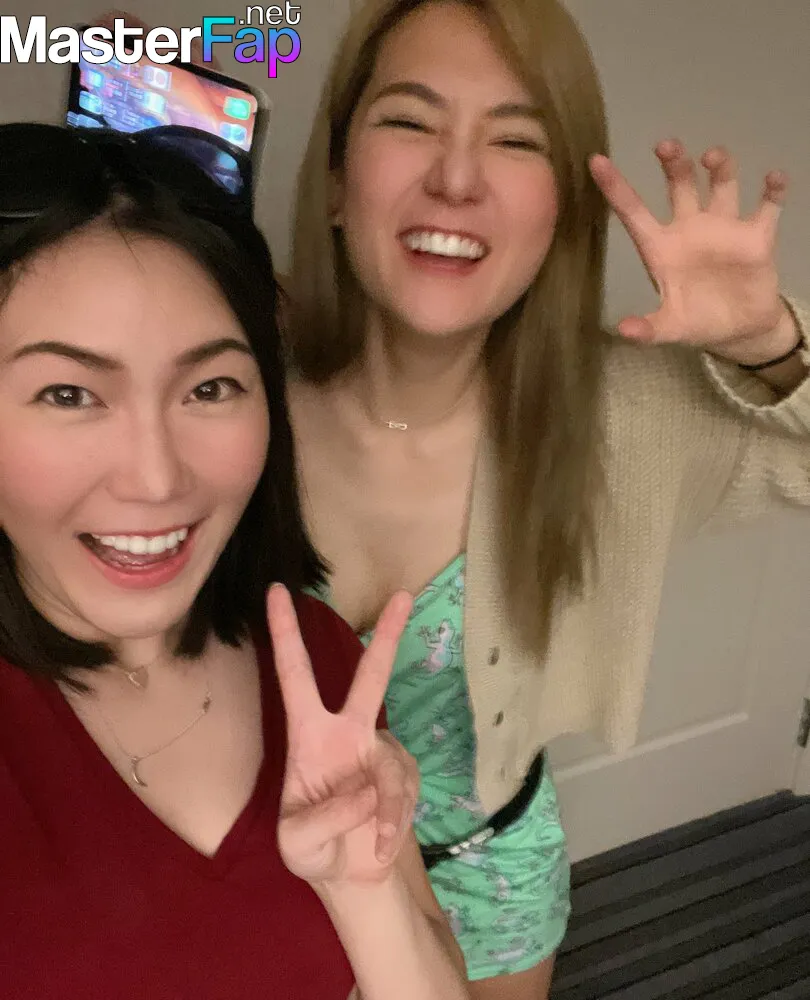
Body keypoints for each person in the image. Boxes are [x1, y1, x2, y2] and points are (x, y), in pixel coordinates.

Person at [282, 1, 810, 997]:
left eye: (516, 139)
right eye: (410, 120)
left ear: (559, 211)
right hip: (270, 871)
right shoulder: (222, 396)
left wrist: (769, 345)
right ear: (338, 180)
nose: (457, 178)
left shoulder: (615, 420)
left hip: (487, 880)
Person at [0, 122, 470, 1000]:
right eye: (69, 393)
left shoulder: (320, 665)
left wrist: (363, 894)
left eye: (210, 387)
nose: (156, 478)